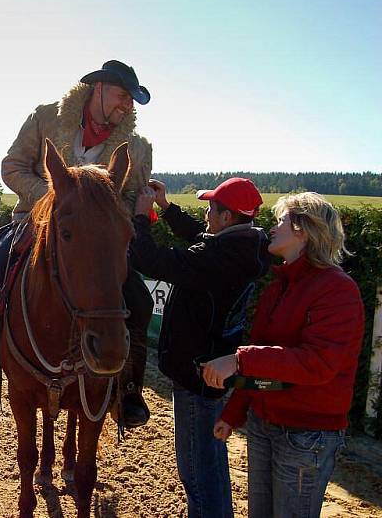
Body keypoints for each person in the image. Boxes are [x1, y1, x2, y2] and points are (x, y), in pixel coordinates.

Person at [0, 60, 154, 424]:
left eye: (131, 101)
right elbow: (12, 166)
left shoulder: (136, 148)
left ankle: (128, 391)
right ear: (99, 88)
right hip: (35, 222)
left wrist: (109, 214)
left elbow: (129, 198)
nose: (127, 106)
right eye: (123, 96)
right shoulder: (45, 117)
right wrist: (51, 198)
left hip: (98, 242)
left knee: (137, 300)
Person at [203, 192, 364, 518]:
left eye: (281, 221)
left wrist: (237, 360)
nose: (272, 228)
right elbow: (268, 374)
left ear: (303, 228)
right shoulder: (279, 286)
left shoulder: (338, 289)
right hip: (265, 426)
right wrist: (234, 413)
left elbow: (317, 364)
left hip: (305, 437)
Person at [130, 177, 270, 518]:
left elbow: (148, 259)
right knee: (208, 466)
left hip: (196, 376)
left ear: (227, 217)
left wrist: (139, 217)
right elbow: (201, 238)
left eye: (211, 209)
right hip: (208, 368)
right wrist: (166, 209)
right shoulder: (244, 248)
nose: (206, 214)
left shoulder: (215, 259)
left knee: (198, 475)